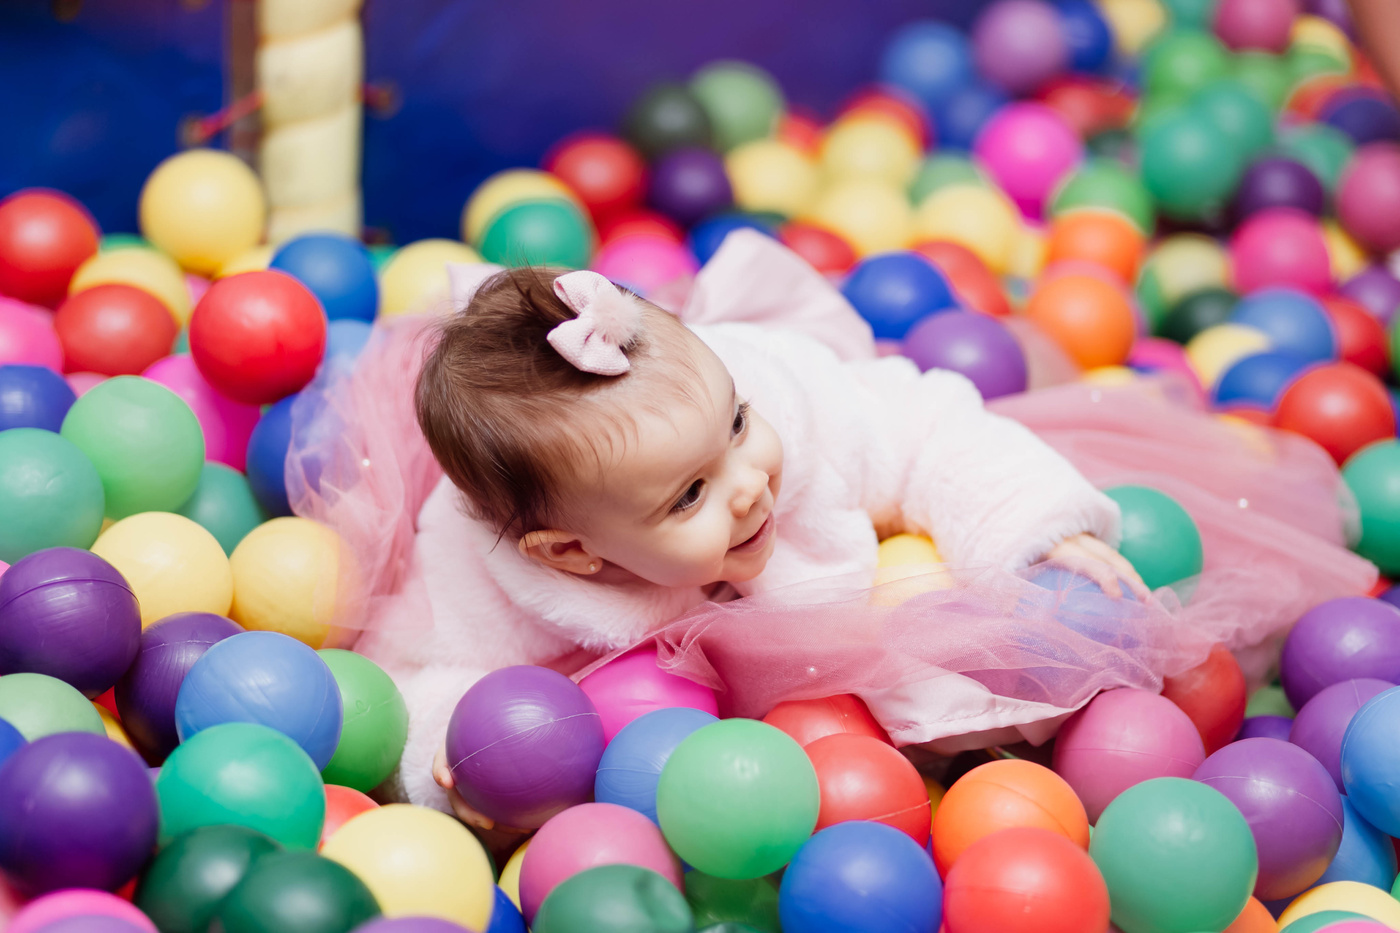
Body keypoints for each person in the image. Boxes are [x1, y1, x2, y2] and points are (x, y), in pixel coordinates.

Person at [288, 231, 1374, 824]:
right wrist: (463, 756)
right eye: (687, 498)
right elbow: (415, 671)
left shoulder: (786, 401)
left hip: (860, 633)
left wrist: (1030, 529)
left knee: (1051, 622)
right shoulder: (492, 572)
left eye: (734, 433)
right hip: (736, 766)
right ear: (573, 553)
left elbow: (927, 428)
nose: (746, 487)